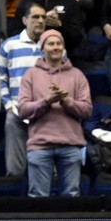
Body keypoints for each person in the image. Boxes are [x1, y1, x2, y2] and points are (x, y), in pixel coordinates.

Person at [18, 29, 92, 197]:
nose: (55, 47)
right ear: (42, 48)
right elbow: (22, 110)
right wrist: (47, 101)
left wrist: (66, 101)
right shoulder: (31, 75)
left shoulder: (77, 75)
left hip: (71, 145)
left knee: (71, 197)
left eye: (59, 43)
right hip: (40, 146)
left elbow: (87, 110)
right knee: (38, 197)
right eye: (51, 44)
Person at [0, 2, 47, 182]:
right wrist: (9, 105)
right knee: (15, 170)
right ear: (25, 20)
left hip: (46, 112)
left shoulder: (54, 45)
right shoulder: (9, 46)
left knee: (45, 170)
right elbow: (1, 78)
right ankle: (14, 186)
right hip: (17, 111)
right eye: (35, 17)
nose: (40, 21)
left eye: (43, 17)